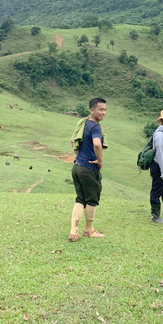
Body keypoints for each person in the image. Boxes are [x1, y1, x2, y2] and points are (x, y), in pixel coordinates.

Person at [68, 98, 107, 242]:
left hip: (77, 167)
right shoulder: (95, 127)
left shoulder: (84, 124)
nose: (103, 112)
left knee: (80, 199)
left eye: (105, 109)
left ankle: (74, 231)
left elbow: (75, 142)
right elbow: (97, 143)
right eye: (100, 109)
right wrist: (100, 161)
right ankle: (89, 230)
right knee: (91, 200)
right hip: (88, 169)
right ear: (92, 110)